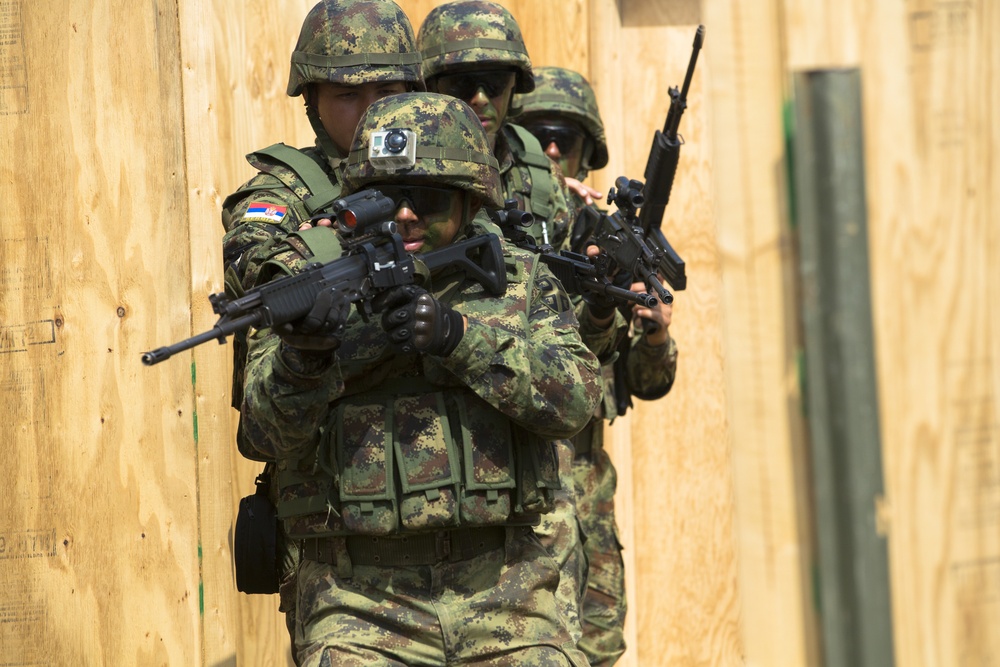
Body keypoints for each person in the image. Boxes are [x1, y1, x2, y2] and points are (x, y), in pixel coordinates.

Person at [238, 90, 601, 666]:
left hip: (508, 592)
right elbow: (260, 434)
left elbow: (576, 400)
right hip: (358, 602)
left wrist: (458, 337)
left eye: (427, 197)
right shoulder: (313, 291)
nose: (405, 214)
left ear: (467, 200)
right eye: (386, 198)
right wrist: (305, 358)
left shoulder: (515, 281)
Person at [218, 0, 424, 648]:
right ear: (311, 100)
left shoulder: (453, 175)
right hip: (342, 545)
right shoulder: (283, 193)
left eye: (387, 91)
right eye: (346, 94)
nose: (369, 110)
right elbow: (260, 260)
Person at [418, 5, 624, 648]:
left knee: (583, 637)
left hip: (542, 461)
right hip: (428, 472)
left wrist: (604, 305)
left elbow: (587, 360)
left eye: (497, 84)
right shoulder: (396, 174)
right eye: (459, 84)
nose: (480, 99)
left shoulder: (548, 193)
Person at [518, 66, 680, 667]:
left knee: (599, 650)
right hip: (522, 492)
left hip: (585, 489)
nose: (554, 150)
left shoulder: (608, 235)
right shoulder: (507, 227)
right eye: (539, 135)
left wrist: (657, 335)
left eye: (568, 138)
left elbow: (645, 381)